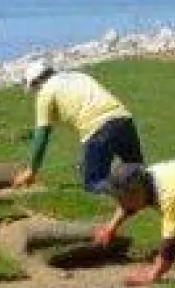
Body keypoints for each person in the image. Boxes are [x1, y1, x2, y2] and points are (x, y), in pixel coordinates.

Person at [11, 62, 144, 193]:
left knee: (93, 183)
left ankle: (126, 191)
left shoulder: (46, 92)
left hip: (98, 128)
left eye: (34, 90)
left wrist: (31, 170)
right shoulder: (78, 76)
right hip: (124, 119)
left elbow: (41, 136)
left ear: (36, 82)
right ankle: (151, 190)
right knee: (137, 170)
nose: (35, 94)